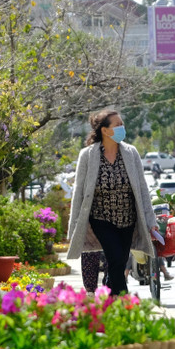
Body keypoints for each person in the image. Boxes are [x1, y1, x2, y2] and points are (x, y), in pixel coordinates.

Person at [67, 109, 159, 295]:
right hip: (101, 219)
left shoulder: (131, 153)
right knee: (115, 257)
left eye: (122, 124)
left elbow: (142, 189)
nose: (122, 128)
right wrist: (74, 225)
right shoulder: (88, 155)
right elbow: (78, 192)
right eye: (117, 125)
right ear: (105, 130)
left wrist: (151, 221)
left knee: (118, 262)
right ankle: (124, 301)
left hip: (127, 219)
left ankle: (109, 293)